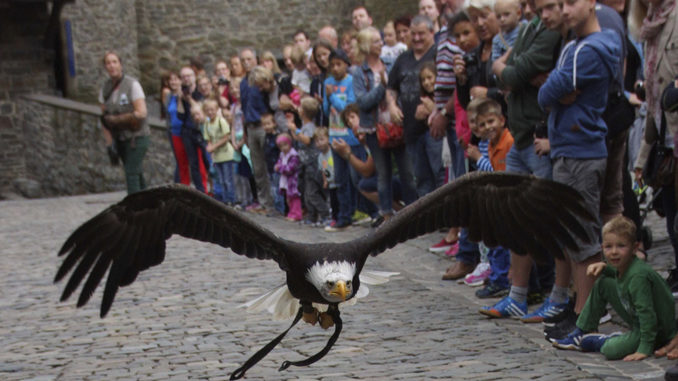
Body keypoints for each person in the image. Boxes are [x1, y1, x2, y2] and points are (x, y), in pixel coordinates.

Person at [538, 0, 622, 340]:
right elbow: (550, 94)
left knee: (584, 236)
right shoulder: (572, 46)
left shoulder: (589, 50)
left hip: (581, 152)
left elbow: (546, 93)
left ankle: (587, 318)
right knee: (572, 234)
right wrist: (555, 92)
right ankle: (579, 309)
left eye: (571, 2)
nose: (565, 10)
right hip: (568, 149)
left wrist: (555, 92)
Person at [483, 0, 564, 319]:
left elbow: (516, 73)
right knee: (516, 216)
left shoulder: (550, 34)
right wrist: (511, 71)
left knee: (554, 220)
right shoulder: (532, 28)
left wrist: (513, 71)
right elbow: (507, 72)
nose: (544, 14)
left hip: (538, 136)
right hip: (521, 137)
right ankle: (517, 294)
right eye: (539, 7)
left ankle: (558, 294)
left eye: (549, 7)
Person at [552, 216, 676, 361]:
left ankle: (604, 340)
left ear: (634, 248)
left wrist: (644, 349)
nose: (614, 252)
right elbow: (621, 273)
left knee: (611, 351)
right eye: (608, 247)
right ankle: (583, 329)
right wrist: (604, 267)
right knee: (603, 283)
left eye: (621, 246)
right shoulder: (627, 267)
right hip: (639, 321)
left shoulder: (638, 277)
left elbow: (647, 316)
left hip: (654, 331)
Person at [353, 26, 418, 223]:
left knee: (407, 171)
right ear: (366, 45)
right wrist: (382, 87)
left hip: (396, 125)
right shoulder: (359, 72)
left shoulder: (391, 63)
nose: (380, 43)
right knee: (384, 173)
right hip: (375, 129)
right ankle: (387, 214)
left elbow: (399, 87)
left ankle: (413, 212)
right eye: (375, 41)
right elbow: (362, 102)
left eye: (380, 39)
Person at [387, 15, 441, 198]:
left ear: (432, 33)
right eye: (414, 34)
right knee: (420, 177)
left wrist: (434, 107)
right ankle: (429, 218)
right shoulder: (403, 58)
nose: (417, 38)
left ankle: (446, 218)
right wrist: (392, 106)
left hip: (434, 128)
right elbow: (391, 87)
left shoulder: (438, 54)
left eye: (422, 34)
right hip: (411, 129)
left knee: (440, 173)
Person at [98, 51, 150, 194]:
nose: (112, 66)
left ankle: (134, 208)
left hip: (137, 136)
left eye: (114, 62)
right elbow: (104, 119)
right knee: (136, 172)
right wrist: (110, 144)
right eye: (108, 63)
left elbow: (141, 112)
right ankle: (150, 205)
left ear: (120, 64)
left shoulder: (132, 84)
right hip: (120, 138)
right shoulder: (105, 88)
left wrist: (119, 119)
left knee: (131, 172)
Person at [324, 50, 361, 232]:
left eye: (339, 64)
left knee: (355, 177)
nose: (335, 68)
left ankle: (357, 211)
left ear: (346, 64)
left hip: (350, 136)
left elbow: (349, 108)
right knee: (340, 179)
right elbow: (325, 110)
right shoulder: (328, 83)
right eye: (332, 65)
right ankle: (344, 215)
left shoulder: (351, 82)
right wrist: (325, 98)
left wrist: (332, 97)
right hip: (334, 135)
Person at [240, 48, 276, 215]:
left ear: (255, 60)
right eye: (243, 60)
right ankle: (263, 202)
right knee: (258, 167)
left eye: (249, 59)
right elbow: (243, 107)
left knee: (271, 164)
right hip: (250, 127)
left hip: (263, 125)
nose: (246, 63)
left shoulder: (262, 80)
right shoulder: (242, 83)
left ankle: (275, 203)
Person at [289, 97, 330, 226]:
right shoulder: (304, 126)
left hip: (313, 164)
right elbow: (297, 137)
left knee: (312, 192)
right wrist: (292, 128)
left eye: (300, 107)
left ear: (304, 112)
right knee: (307, 192)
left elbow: (306, 140)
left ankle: (325, 214)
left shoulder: (310, 126)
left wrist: (294, 129)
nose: (298, 109)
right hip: (305, 165)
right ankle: (312, 216)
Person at [202, 99, 236, 205]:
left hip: (226, 154)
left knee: (228, 179)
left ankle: (231, 199)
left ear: (217, 110)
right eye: (208, 110)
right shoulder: (207, 124)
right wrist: (210, 148)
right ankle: (225, 200)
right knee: (221, 179)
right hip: (217, 156)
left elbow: (226, 137)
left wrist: (214, 146)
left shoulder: (221, 121)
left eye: (212, 110)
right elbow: (208, 139)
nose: (210, 112)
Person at [274, 133, 302, 222]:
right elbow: (279, 162)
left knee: (294, 197)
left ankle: (297, 213)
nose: (283, 148)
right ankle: (291, 212)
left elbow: (290, 168)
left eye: (285, 145)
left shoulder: (293, 155)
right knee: (288, 197)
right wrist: (277, 166)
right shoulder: (282, 155)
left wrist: (280, 168)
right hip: (285, 180)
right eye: (281, 146)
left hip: (293, 180)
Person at [315, 127, 339, 224]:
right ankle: (335, 218)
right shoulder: (320, 157)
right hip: (330, 183)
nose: (319, 143)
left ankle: (342, 216)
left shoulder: (333, 152)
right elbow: (322, 170)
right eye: (317, 141)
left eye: (322, 139)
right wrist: (325, 180)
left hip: (338, 181)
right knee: (333, 201)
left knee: (340, 199)